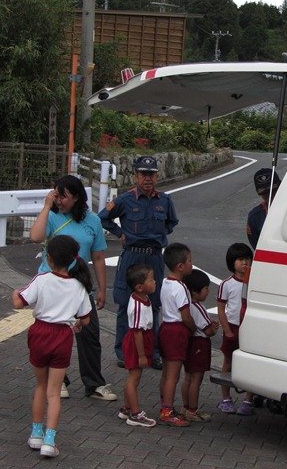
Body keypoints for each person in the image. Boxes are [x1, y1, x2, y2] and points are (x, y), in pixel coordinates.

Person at [29, 175, 116, 401]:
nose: (59, 200)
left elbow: (98, 257)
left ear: (77, 197)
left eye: (63, 196)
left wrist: (102, 289)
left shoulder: (92, 220)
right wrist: (47, 206)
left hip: (79, 285)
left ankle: (94, 383)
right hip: (52, 285)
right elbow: (35, 236)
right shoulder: (52, 216)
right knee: (56, 334)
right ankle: (59, 381)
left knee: (89, 333)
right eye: (56, 195)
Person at [12, 235, 93, 458]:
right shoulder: (79, 286)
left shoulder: (42, 279)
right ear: (74, 260)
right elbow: (86, 318)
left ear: (49, 258)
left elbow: (19, 301)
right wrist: (76, 323)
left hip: (40, 333)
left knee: (40, 386)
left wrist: (14, 292)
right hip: (62, 337)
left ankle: (35, 434)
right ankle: (50, 440)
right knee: (54, 392)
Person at [98, 156, 179, 370]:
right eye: (143, 174)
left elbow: (172, 222)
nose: (147, 178)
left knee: (153, 305)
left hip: (153, 256)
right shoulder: (125, 200)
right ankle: (123, 353)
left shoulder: (165, 200)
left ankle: (153, 353)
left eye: (151, 174)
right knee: (126, 304)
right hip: (132, 257)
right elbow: (103, 217)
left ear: (157, 176)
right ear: (135, 176)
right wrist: (119, 233)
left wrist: (158, 235)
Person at [158, 242, 195, 427]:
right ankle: (168, 410)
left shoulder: (166, 283)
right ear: (180, 266)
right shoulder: (180, 288)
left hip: (165, 328)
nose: (191, 264)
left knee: (166, 373)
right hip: (177, 331)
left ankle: (163, 405)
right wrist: (193, 328)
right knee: (174, 374)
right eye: (189, 261)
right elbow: (186, 316)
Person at [117, 263, 157, 428]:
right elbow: (137, 332)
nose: (154, 282)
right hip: (137, 343)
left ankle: (127, 408)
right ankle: (135, 413)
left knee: (134, 377)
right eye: (151, 279)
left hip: (140, 340)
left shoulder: (143, 298)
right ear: (140, 287)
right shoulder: (139, 305)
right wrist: (141, 355)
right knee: (134, 378)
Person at [217, 243, 255, 416]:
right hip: (232, 327)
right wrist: (227, 330)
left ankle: (248, 400)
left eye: (247, 259)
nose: (244, 263)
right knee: (227, 362)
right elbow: (221, 309)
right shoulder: (227, 284)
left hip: (249, 326)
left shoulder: (255, 281)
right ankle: (226, 398)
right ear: (232, 262)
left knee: (250, 364)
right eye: (240, 260)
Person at [180, 269, 219, 422]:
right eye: (206, 289)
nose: (208, 292)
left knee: (188, 377)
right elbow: (207, 331)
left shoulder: (188, 306)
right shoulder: (198, 307)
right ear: (195, 292)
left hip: (190, 343)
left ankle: (185, 406)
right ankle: (193, 410)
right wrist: (214, 328)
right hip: (199, 344)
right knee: (197, 378)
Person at [246, 168, 281, 250]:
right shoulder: (255, 217)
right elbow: (257, 246)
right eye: (264, 194)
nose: (270, 196)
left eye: (273, 191)